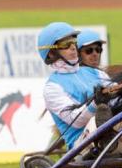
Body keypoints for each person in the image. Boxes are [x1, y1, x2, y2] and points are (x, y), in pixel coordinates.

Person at [37, 22, 113, 151]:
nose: (73, 48)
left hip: (112, 131)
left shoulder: (97, 73)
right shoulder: (52, 88)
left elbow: (117, 93)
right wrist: (96, 103)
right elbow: (76, 121)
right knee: (100, 116)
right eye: (66, 45)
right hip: (80, 144)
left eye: (74, 43)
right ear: (51, 53)